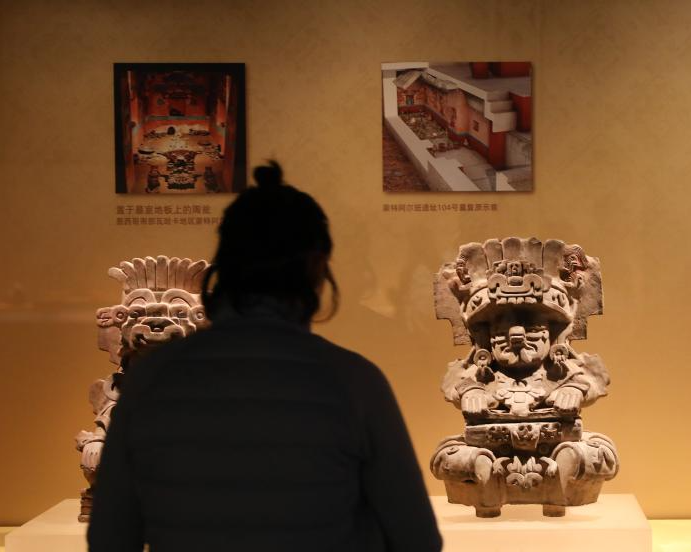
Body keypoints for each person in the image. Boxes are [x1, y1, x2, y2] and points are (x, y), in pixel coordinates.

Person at [88, 161, 442, 551]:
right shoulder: (355, 381)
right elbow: (417, 539)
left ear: (224, 266)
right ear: (317, 268)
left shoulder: (150, 379)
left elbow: (109, 538)